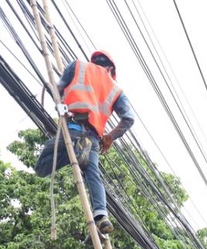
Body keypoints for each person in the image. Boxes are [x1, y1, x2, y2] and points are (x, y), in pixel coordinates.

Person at [33, 50, 135, 235]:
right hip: (94, 137)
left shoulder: (78, 66)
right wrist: (110, 137)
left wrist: (58, 96)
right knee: (93, 174)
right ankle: (102, 216)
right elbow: (129, 118)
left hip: (72, 127)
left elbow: (58, 88)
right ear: (110, 69)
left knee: (42, 166)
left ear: (94, 61)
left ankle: (79, 152)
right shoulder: (116, 89)